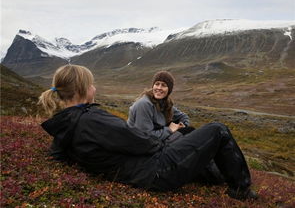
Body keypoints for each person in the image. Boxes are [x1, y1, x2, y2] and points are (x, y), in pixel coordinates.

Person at [39, 64, 257, 200]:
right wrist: (171, 137)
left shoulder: (65, 124)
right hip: (156, 170)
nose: (94, 88)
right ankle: (241, 190)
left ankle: (216, 177)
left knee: (191, 136)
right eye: (92, 84)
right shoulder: (93, 120)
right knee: (217, 129)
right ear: (82, 90)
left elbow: (57, 154)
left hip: (142, 171)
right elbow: (143, 142)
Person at [127, 71, 194, 142]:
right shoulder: (144, 104)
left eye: (163, 85)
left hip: (156, 141)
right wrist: (170, 129)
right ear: (153, 86)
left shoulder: (165, 103)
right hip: (140, 146)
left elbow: (183, 116)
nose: (159, 88)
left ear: (169, 90)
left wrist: (181, 125)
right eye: (157, 84)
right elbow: (145, 136)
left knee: (189, 131)